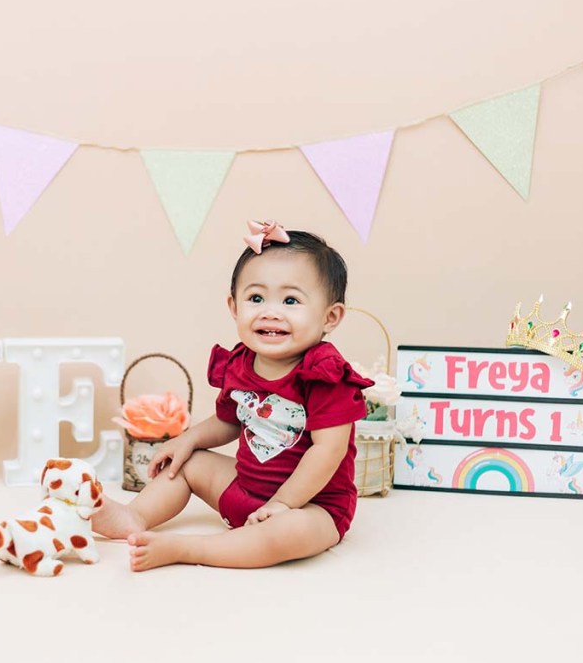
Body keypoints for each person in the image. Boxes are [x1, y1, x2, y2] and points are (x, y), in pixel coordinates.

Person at [93, 222, 373, 571]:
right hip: (245, 489)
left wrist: (284, 503)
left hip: (310, 506)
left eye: (290, 301)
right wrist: (188, 439)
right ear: (234, 307)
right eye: (256, 298)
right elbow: (229, 420)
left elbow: (328, 451)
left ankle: (189, 549)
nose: (270, 311)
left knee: (290, 531)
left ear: (330, 317)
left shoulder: (325, 373)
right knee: (189, 463)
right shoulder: (241, 361)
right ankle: (135, 515)